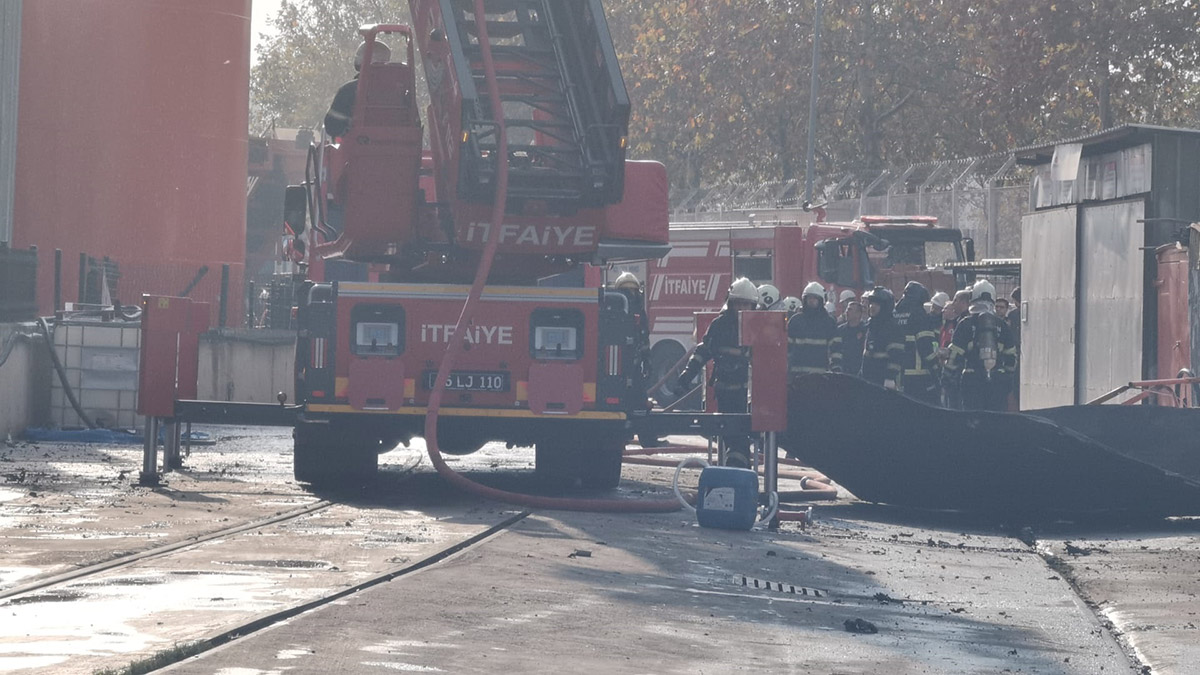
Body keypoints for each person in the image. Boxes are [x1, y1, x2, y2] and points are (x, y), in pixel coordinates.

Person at [676, 278, 759, 468]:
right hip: (724, 389)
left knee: (742, 433)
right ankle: (737, 466)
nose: (741, 308)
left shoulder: (757, 326)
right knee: (730, 432)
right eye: (738, 303)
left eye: (746, 304)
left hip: (750, 393)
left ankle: (738, 466)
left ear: (753, 305)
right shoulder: (719, 325)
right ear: (731, 303)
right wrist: (687, 376)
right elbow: (703, 352)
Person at [945, 280, 1017, 411]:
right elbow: (1011, 357)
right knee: (996, 421)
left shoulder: (965, 324)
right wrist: (1008, 380)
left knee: (973, 421)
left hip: (972, 381)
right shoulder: (1002, 325)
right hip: (998, 382)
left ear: (973, 298)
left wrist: (947, 377)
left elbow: (954, 355)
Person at [324, 40, 393, 139]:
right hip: (396, 148)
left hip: (356, 149)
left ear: (360, 60)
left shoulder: (348, 90)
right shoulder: (401, 92)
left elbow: (332, 127)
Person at [893, 281, 939, 405]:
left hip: (897, 373)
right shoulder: (919, 314)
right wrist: (935, 368)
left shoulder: (895, 313)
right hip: (918, 375)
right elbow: (925, 344)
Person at [787, 282, 842, 381]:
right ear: (805, 300)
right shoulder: (795, 321)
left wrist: (836, 368)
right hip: (797, 376)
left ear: (821, 300)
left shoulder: (829, 322)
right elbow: (787, 348)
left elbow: (836, 349)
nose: (811, 301)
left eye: (815, 298)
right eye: (809, 298)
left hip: (820, 377)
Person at [860, 286, 905, 390]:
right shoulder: (871, 326)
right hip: (869, 380)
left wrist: (890, 378)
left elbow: (896, 356)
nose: (872, 307)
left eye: (876, 304)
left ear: (885, 306)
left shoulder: (892, 328)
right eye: (871, 303)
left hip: (885, 382)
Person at [833, 301, 867, 379]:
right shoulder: (840, 330)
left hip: (860, 373)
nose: (847, 312)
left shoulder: (865, 330)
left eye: (850, 310)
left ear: (858, 314)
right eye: (847, 310)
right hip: (843, 372)